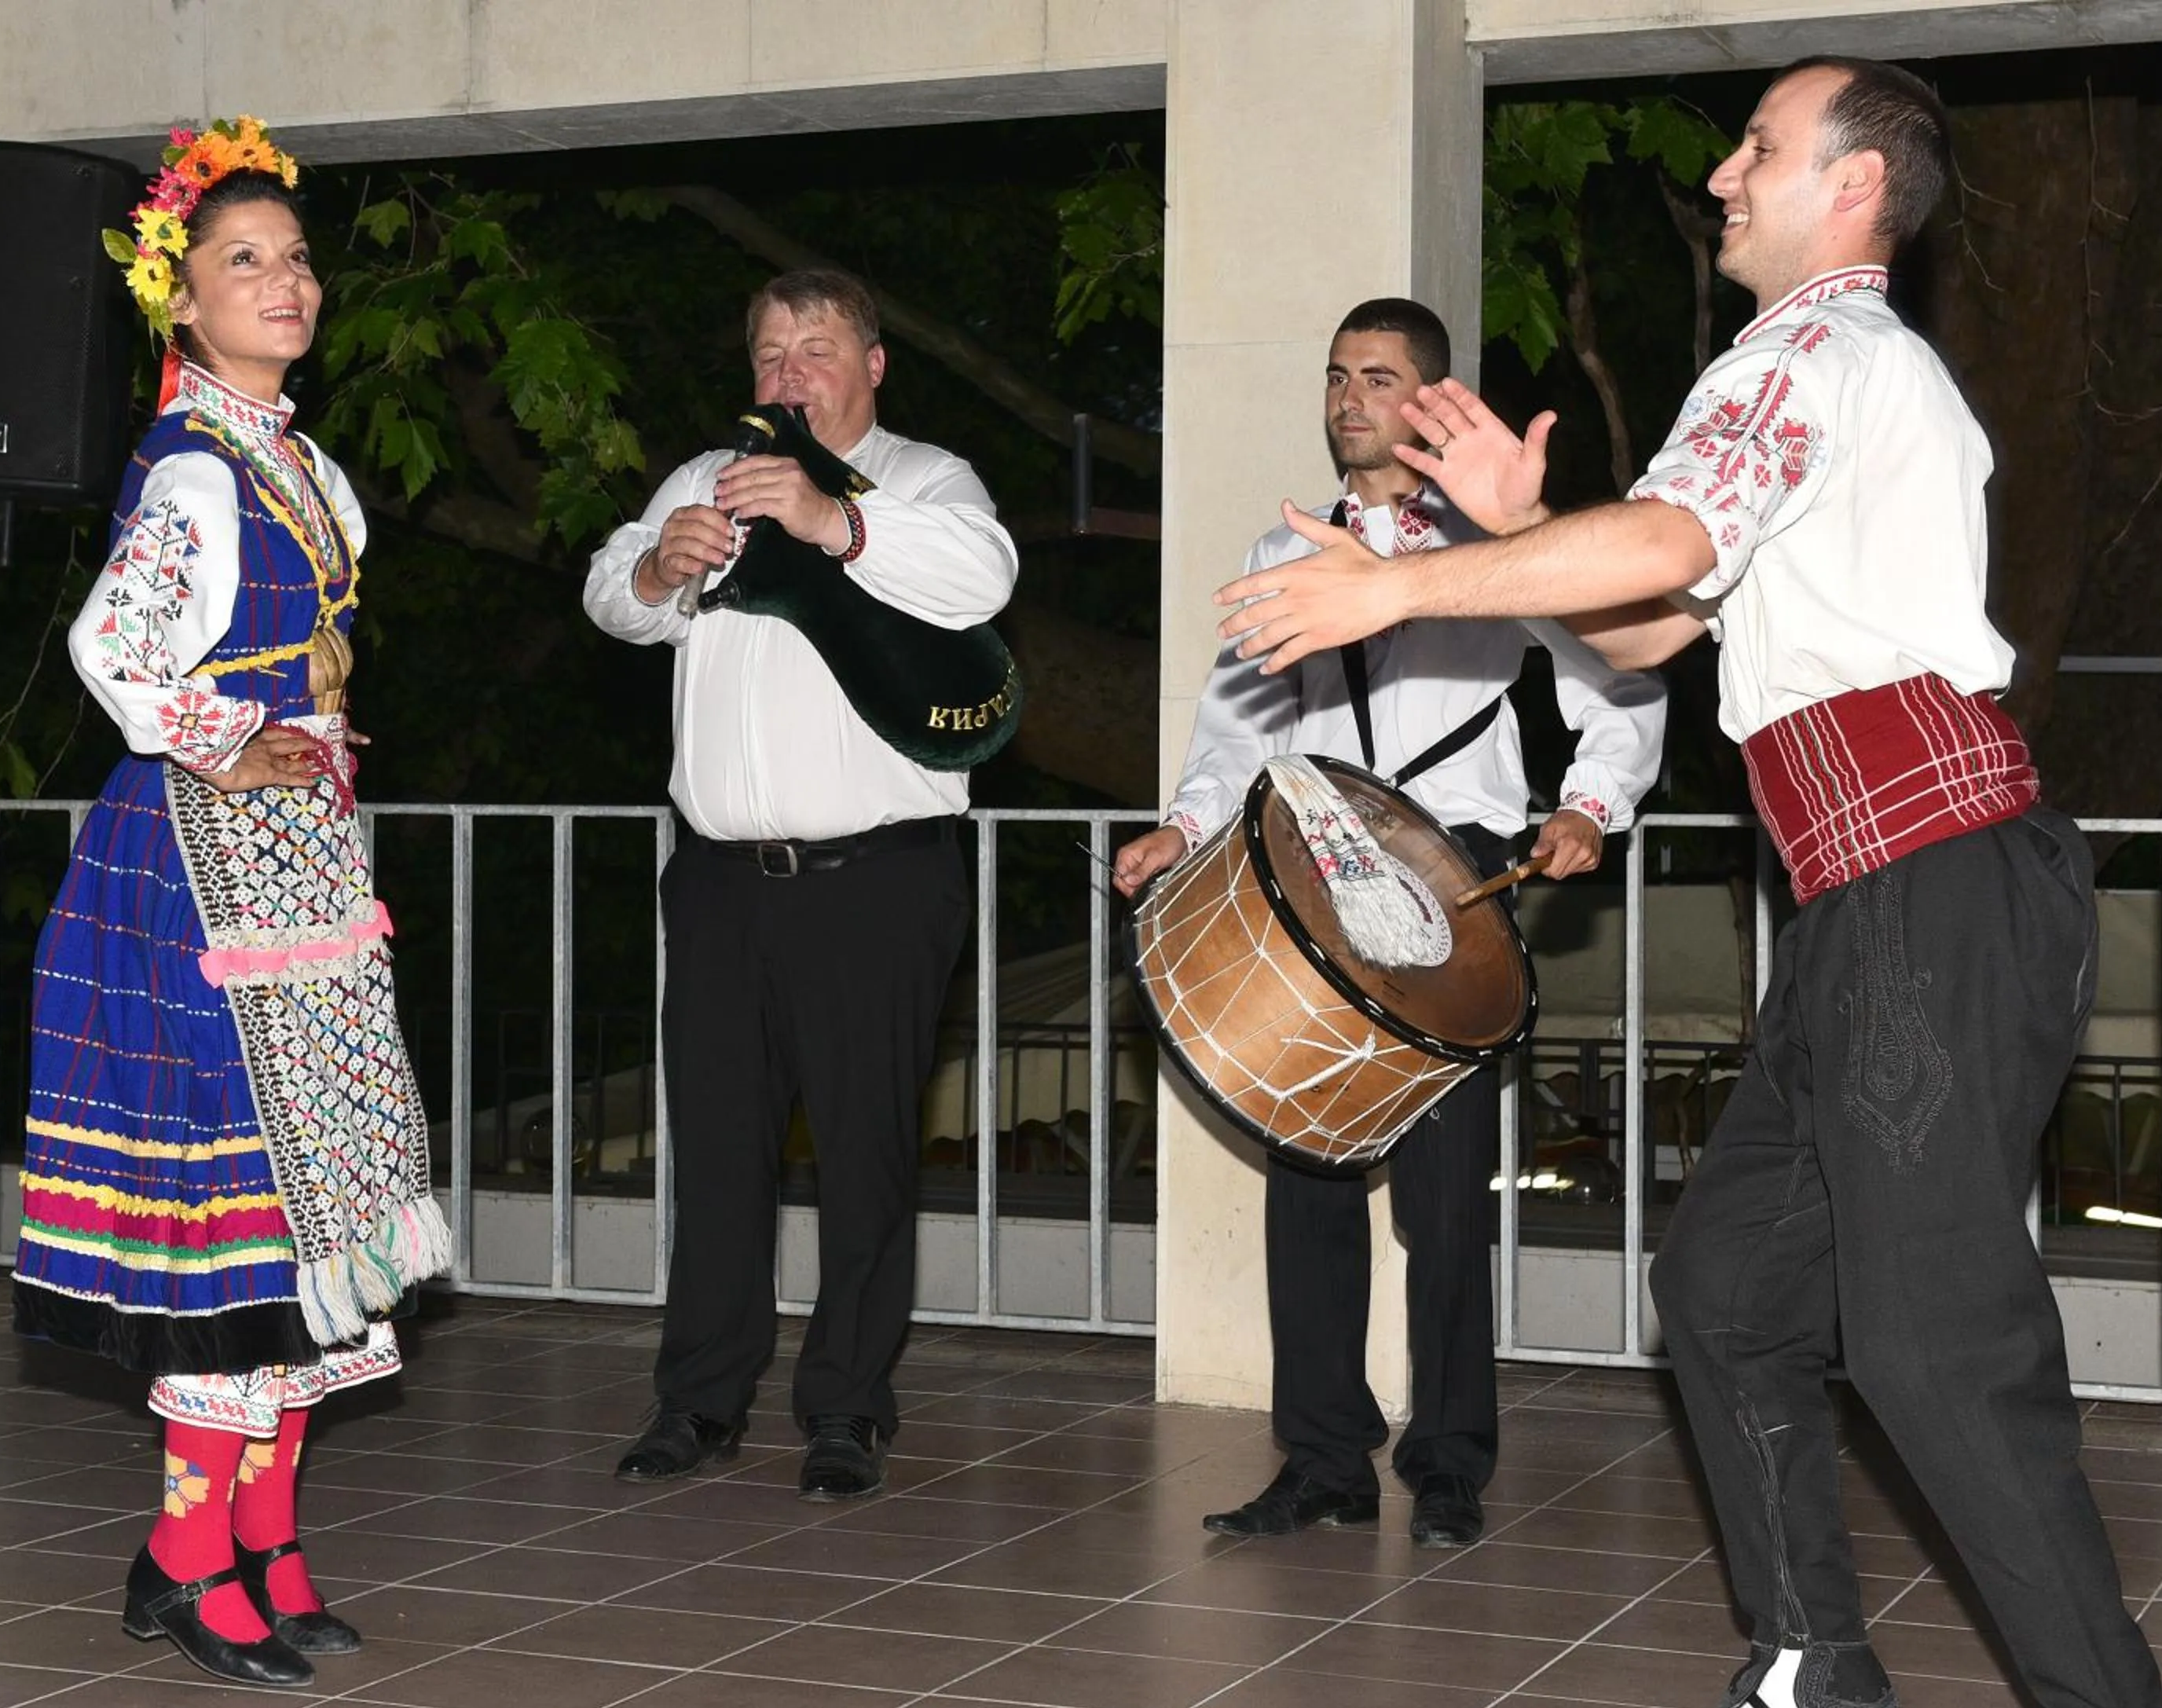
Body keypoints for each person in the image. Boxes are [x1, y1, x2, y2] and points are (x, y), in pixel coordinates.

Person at [1211, 59, 2162, 1708]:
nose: (1721, 169)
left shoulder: (1811, 356)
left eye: (1758, 147)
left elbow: (1668, 553)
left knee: (1933, 1338)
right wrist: (1521, 539)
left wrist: (1399, 588)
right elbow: (1664, 618)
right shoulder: (1826, 381)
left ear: (1854, 191)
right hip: (1873, 904)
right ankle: (1818, 1675)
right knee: (1733, 1275)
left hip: (1929, 886)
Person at [1114, 298, 1664, 1549]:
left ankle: (1452, 1458)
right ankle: (1322, 1459)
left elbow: (1616, 676)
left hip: (1458, 878)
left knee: (1444, 1194)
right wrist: (1183, 828)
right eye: (1335, 376)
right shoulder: (1283, 546)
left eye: (1377, 376)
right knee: (1306, 1166)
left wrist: (1589, 804)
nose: (1348, 397)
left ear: (1427, 400)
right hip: (1318, 871)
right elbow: (1238, 728)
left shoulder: (1487, 540)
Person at [11, 119, 449, 1689]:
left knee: (311, 1202)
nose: (289, 283)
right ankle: (200, 1552)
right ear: (181, 306)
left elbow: (285, 653)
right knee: (233, 1221)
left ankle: (254, 1540)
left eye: (299, 258)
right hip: (193, 871)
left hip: (296, 860)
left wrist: (310, 733)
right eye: (245, 262)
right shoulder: (196, 466)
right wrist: (235, 734)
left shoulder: (300, 462)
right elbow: (117, 656)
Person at [584, 269, 1017, 1501]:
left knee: (866, 1154)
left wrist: (835, 521)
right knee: (717, 1151)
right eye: (770, 353)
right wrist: (661, 568)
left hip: (875, 880)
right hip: (720, 883)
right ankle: (699, 1400)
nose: (788, 376)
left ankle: (846, 1407)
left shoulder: (928, 480)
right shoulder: (702, 479)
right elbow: (609, 597)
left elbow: (981, 581)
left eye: (815, 350)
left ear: (871, 366)